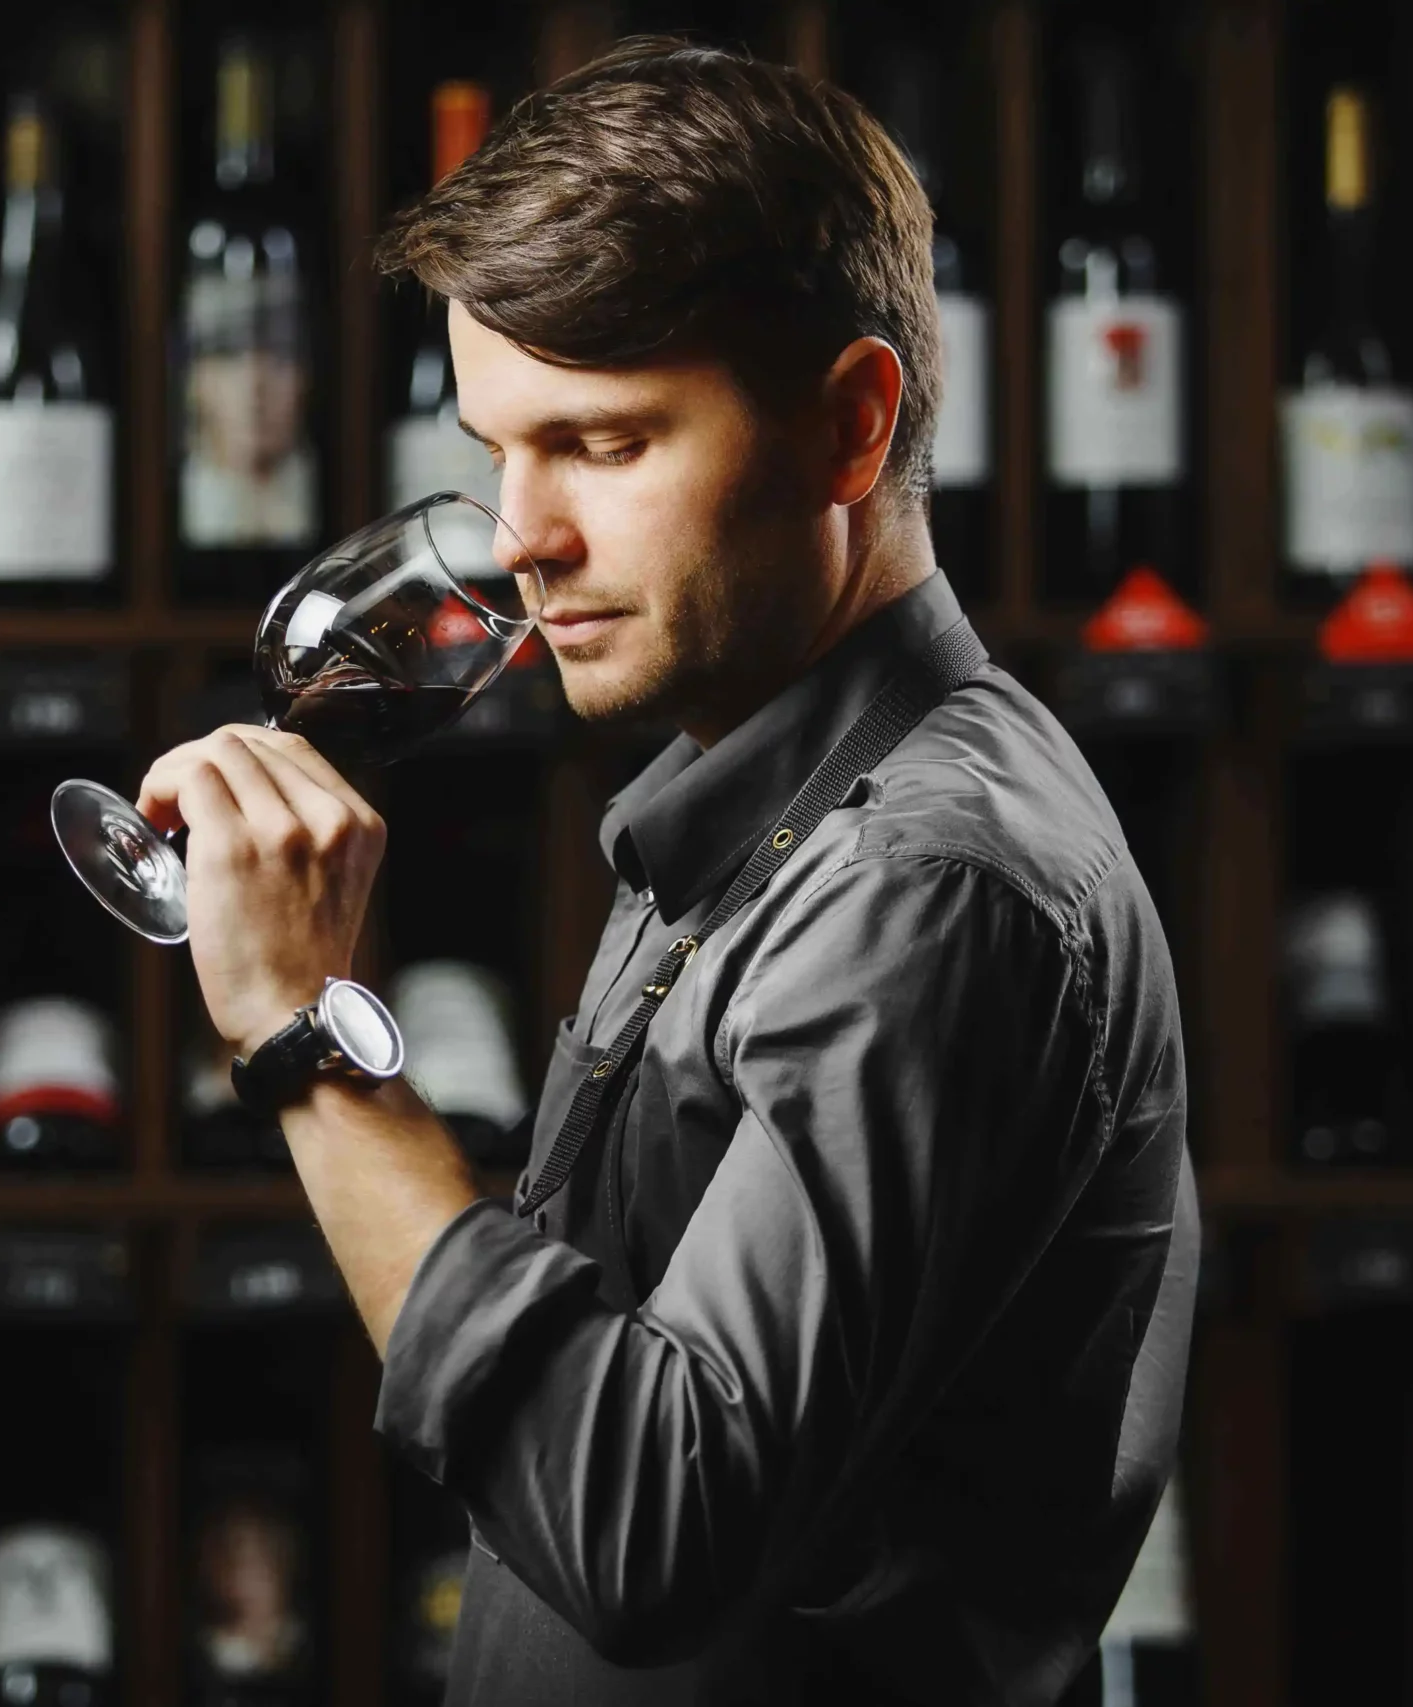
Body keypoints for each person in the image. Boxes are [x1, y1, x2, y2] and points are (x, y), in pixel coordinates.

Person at [136, 37, 1197, 1705]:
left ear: (852, 427)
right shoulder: (753, 797)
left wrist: (303, 1037)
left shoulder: (930, 884)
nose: (521, 536)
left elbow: (651, 1527)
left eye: (606, 444)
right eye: (499, 447)